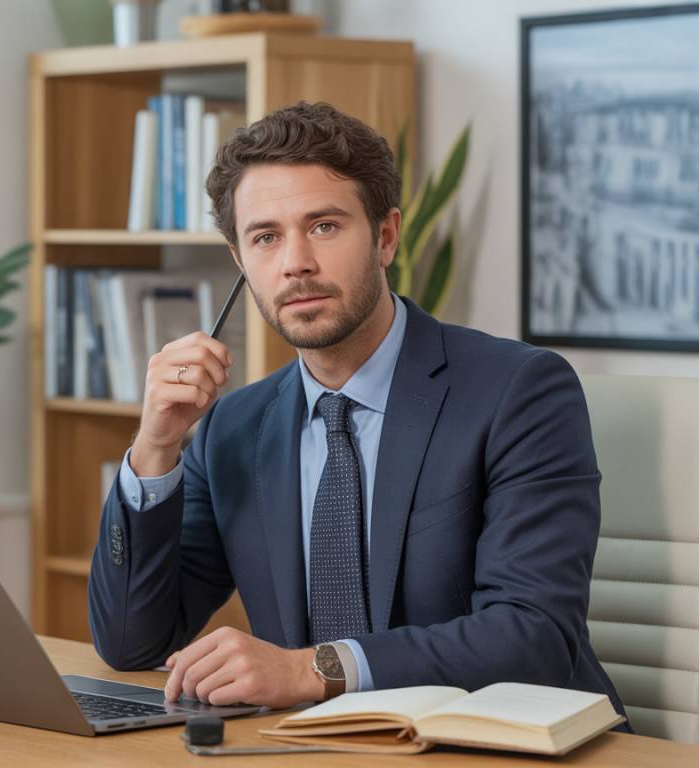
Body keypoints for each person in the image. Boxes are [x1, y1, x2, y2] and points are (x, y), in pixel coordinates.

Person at [87, 101, 627, 722]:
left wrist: (307, 668)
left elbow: (535, 635)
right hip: (321, 748)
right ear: (241, 263)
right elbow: (132, 644)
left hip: (503, 743)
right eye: (265, 237)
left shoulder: (520, 392)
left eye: (324, 226)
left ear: (386, 236)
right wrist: (154, 450)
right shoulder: (233, 429)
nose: (295, 262)